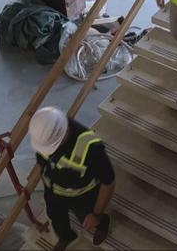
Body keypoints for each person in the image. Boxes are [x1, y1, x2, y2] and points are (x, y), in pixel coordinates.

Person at [30, 107, 115, 251]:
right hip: (53, 191)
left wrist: (95, 214)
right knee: (56, 216)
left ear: (63, 133)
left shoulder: (91, 148)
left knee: (88, 219)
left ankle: (102, 222)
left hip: (82, 196)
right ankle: (66, 237)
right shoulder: (44, 134)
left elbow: (108, 183)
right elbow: (43, 162)